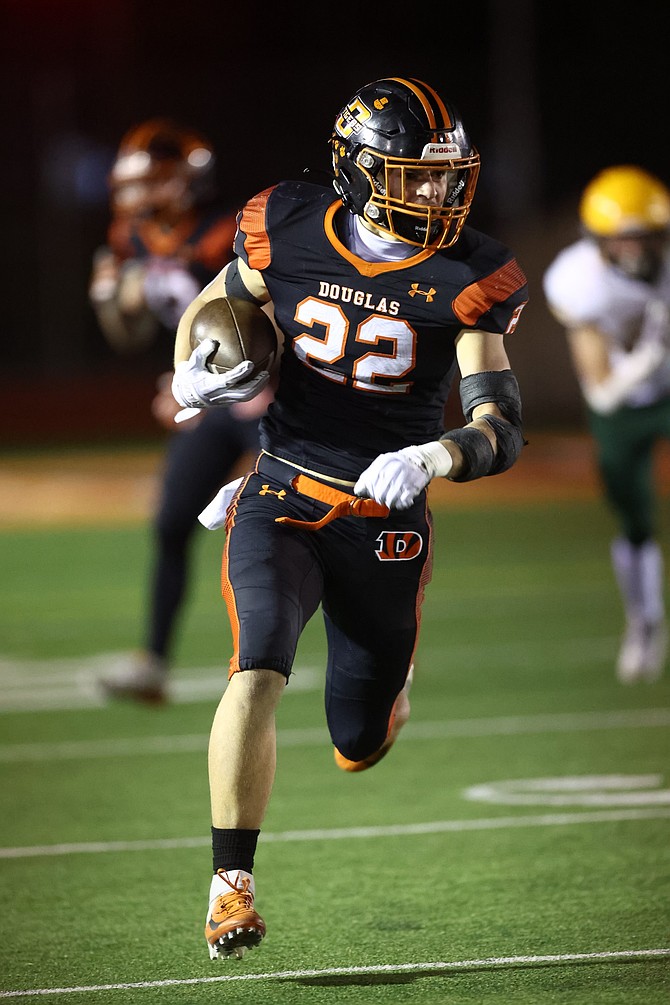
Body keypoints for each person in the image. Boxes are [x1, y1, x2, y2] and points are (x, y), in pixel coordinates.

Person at [170, 77, 528, 959]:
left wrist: (434, 454)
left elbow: (502, 427)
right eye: (416, 177)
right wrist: (192, 372)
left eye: (447, 179)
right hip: (284, 492)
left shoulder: (471, 272)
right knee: (256, 665)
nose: (438, 195)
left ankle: (392, 685)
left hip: (384, 517)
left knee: (358, 740)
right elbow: (217, 310)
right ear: (362, 171)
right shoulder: (285, 222)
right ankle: (229, 886)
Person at [89, 118, 272, 704]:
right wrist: (115, 296)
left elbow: (267, 317)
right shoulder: (132, 238)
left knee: (308, 527)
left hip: (274, 394)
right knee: (172, 521)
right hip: (210, 399)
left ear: (184, 181)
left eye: (153, 182)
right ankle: (154, 663)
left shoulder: (230, 233)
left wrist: (221, 378)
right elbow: (125, 332)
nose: (137, 196)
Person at [544, 165, 670, 684]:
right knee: (634, 519)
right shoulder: (578, 280)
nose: (634, 252)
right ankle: (644, 621)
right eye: (622, 241)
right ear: (597, 242)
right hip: (623, 402)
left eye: (644, 239)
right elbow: (601, 389)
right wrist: (647, 356)